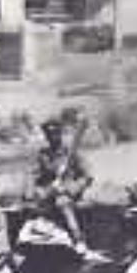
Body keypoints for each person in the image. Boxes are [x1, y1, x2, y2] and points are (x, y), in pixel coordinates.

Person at [32, 109, 100, 258]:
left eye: (55, 134)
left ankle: (78, 239)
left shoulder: (71, 153)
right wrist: (42, 190)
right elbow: (37, 178)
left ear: (60, 134)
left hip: (70, 195)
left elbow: (87, 176)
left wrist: (71, 188)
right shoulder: (43, 155)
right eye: (49, 135)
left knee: (62, 202)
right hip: (51, 193)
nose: (52, 138)